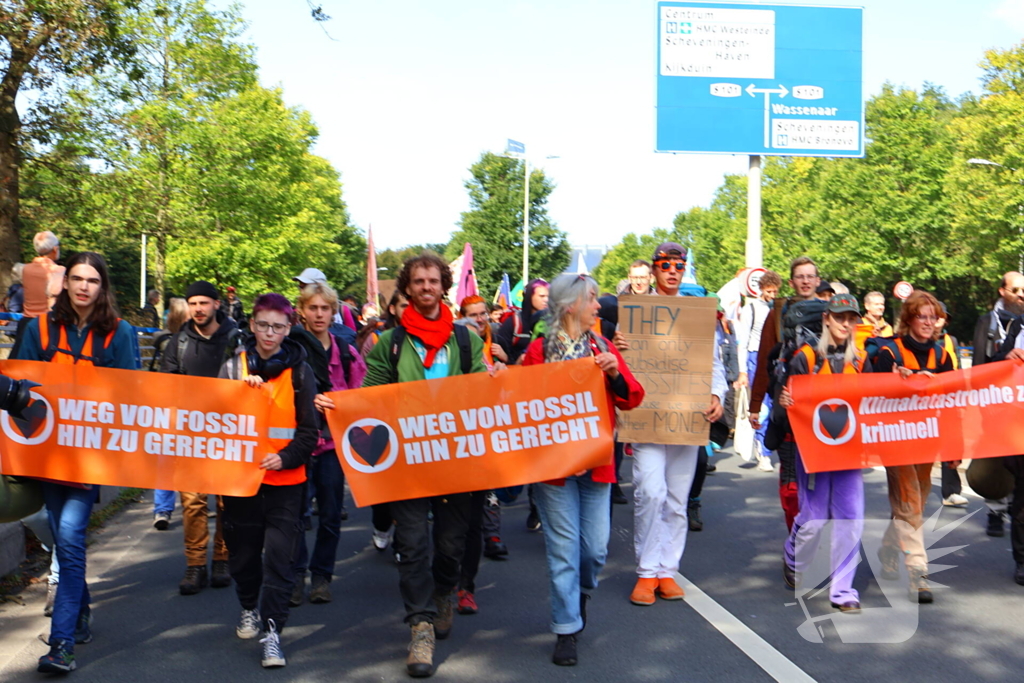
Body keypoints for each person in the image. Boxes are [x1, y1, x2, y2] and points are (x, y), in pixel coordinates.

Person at [362, 253, 488, 678]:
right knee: (412, 544)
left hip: (455, 460)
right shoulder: (391, 342)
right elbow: (370, 395)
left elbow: (482, 393)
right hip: (408, 462)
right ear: (408, 288)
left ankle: (443, 593)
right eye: (418, 281)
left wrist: (493, 381)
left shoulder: (465, 341)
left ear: (443, 286)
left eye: (433, 280)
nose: (426, 287)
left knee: (451, 544)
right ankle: (420, 626)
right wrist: (339, 407)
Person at [14, 251, 136, 674]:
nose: (85, 287)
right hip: (46, 454)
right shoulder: (39, 328)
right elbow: (16, 383)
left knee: (69, 538)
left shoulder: (120, 333)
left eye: (93, 281)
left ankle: (61, 644)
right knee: (62, 539)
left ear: (103, 288)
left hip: (89, 457)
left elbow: (132, 394)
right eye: (78, 279)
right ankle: (79, 613)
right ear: (66, 283)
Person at [522, 273, 644, 666]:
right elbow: (519, 403)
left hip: (596, 465)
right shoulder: (539, 350)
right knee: (563, 551)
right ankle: (566, 628)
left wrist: (614, 372)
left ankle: (580, 594)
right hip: (554, 470)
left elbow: (632, 398)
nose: (598, 307)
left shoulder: (602, 346)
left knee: (594, 549)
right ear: (571, 305)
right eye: (592, 299)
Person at [612, 242, 727, 607]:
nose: (673, 271)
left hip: (686, 417)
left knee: (677, 499)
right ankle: (646, 571)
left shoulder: (698, 313)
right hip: (647, 417)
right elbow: (619, 361)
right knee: (650, 492)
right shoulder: (634, 314)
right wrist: (618, 345)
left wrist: (717, 395)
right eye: (666, 265)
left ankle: (667, 571)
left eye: (679, 265)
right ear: (654, 269)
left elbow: (714, 362)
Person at [219, 293, 318, 668]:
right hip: (242, 483)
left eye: (278, 327)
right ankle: (249, 605)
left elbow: (309, 432)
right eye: (263, 325)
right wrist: (238, 397)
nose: (269, 333)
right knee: (243, 556)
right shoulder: (232, 368)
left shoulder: (301, 373)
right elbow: (212, 422)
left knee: (280, 559)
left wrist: (285, 457)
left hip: (286, 484)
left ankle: (273, 632)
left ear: (289, 328)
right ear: (252, 325)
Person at [777, 294, 871, 611]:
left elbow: (878, 398)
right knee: (814, 518)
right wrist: (786, 403)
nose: (845, 323)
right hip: (812, 452)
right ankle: (793, 555)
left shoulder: (861, 360)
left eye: (851, 318)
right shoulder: (805, 358)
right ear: (826, 319)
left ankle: (842, 591)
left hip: (849, 454)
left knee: (850, 519)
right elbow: (786, 404)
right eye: (839, 317)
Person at [873, 290, 954, 604]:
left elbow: (953, 400)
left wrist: (954, 446)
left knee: (915, 504)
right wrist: (895, 380)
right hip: (895, 440)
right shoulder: (889, 352)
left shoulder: (942, 355)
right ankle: (918, 572)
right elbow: (871, 393)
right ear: (909, 319)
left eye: (933, 317)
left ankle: (888, 548)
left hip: (927, 439)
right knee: (909, 503)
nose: (929, 322)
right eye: (922, 316)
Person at [160, 281, 240, 594]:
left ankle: (222, 557)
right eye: (193, 303)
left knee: (226, 500)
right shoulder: (178, 342)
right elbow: (166, 385)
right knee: (192, 502)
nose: (198, 309)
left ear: (217, 304)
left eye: (204, 303)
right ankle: (195, 565)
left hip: (228, 433)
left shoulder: (235, 340)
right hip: (189, 434)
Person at [289, 282, 367, 606]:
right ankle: (295, 575)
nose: (319, 314)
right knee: (294, 515)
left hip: (333, 446)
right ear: (302, 311)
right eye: (313, 308)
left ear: (334, 312)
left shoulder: (346, 353)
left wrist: (337, 402)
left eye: (325, 308)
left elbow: (361, 397)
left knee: (331, 514)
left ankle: (322, 576)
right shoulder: (290, 350)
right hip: (297, 445)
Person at [750, 256, 822, 532]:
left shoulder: (831, 314)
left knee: (820, 483)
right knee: (791, 484)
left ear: (817, 281)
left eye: (810, 276)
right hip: (787, 406)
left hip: (823, 410)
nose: (805, 281)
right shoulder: (778, 313)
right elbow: (764, 360)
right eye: (800, 277)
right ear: (791, 282)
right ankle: (796, 538)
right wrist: (755, 405)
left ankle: (813, 539)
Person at [972, 272, 1024, 537]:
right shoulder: (987, 322)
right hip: (995, 404)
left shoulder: (1020, 323)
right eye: (1016, 290)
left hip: (1018, 409)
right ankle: (995, 511)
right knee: (995, 461)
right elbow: (980, 365)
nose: (1021, 295)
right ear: (1002, 291)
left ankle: (1014, 506)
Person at [734, 270, 782, 473]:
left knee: (774, 405)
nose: (772, 295)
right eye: (769, 291)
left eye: (775, 291)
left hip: (775, 359)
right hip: (755, 358)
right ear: (761, 289)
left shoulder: (779, 308)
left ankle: (767, 445)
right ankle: (763, 452)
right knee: (761, 407)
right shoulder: (750, 309)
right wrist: (743, 371)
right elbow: (743, 342)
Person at [935, 303, 968, 508]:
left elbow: (958, 370)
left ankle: (951, 492)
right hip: (925, 402)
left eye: (942, 317)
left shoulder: (951, 341)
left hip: (949, 400)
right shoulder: (918, 341)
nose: (938, 321)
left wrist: (961, 395)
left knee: (952, 444)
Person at [495, 278, 549, 365]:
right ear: (529, 297)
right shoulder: (513, 322)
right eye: (542, 296)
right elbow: (499, 359)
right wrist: (515, 361)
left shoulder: (554, 322)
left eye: (548, 296)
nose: (546, 300)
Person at [20, 230, 65, 319]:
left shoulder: (25, 269)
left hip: (26, 320)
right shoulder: (59, 270)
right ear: (55, 249)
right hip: (46, 321)